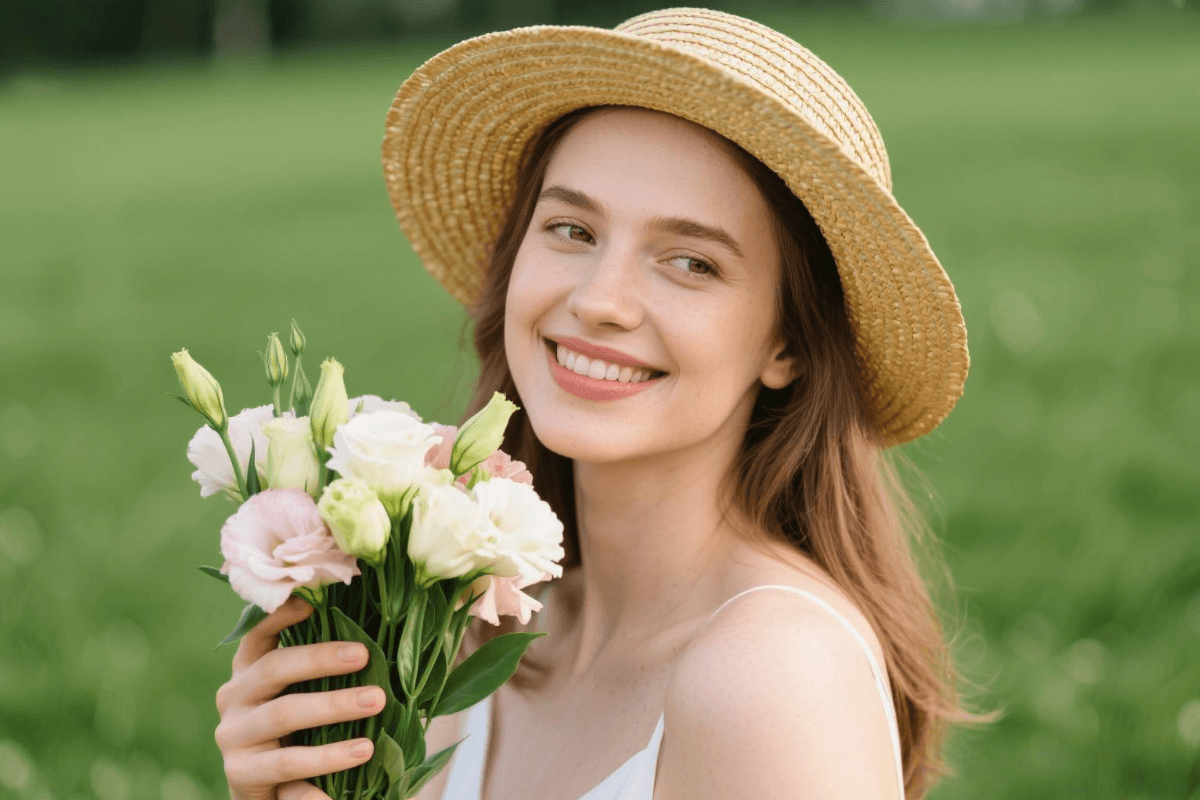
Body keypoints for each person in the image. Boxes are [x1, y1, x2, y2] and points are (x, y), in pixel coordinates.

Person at [213, 8, 992, 800]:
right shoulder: (470, 633)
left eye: (691, 262)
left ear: (787, 343)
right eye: (573, 230)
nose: (599, 300)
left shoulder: (771, 674)